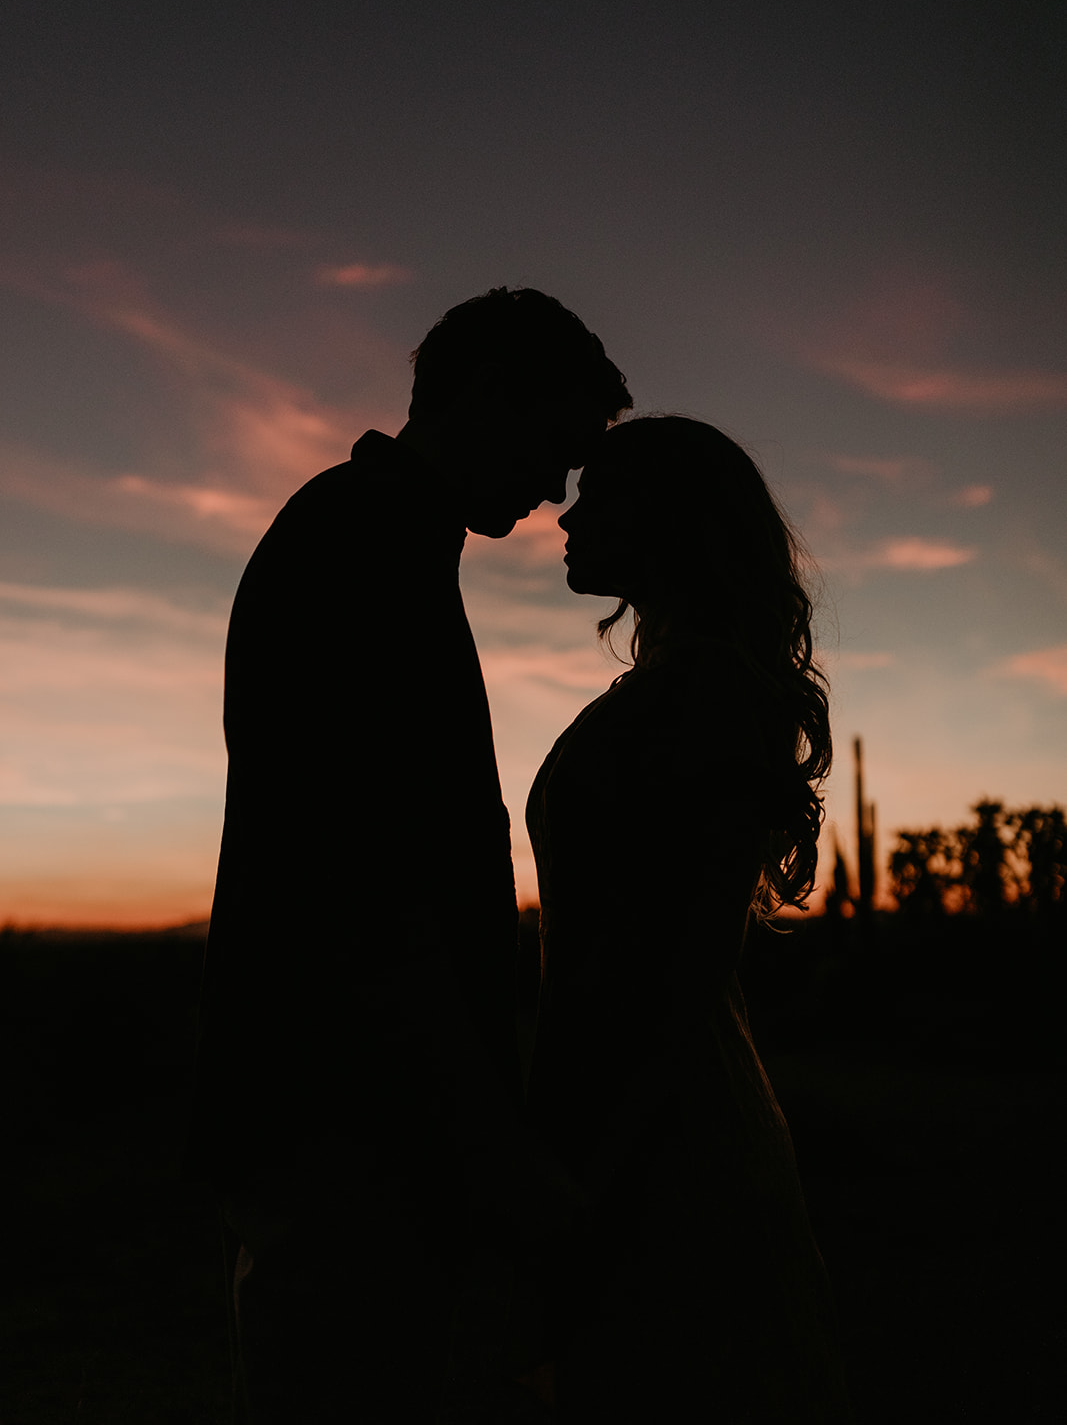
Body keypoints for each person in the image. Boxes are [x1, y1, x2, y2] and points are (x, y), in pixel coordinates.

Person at [185, 287, 632, 1423]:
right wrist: (490, 1145)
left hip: (360, 1118)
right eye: (555, 447)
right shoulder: (361, 545)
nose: (554, 489)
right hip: (350, 1129)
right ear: (485, 395)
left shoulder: (381, 537)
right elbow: (365, 887)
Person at [525, 416, 853, 1422]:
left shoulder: (701, 691)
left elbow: (672, 971)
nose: (565, 518)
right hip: (644, 1115)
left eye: (602, 497)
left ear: (666, 521)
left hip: (666, 1138)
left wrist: (590, 1175)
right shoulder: (676, 684)